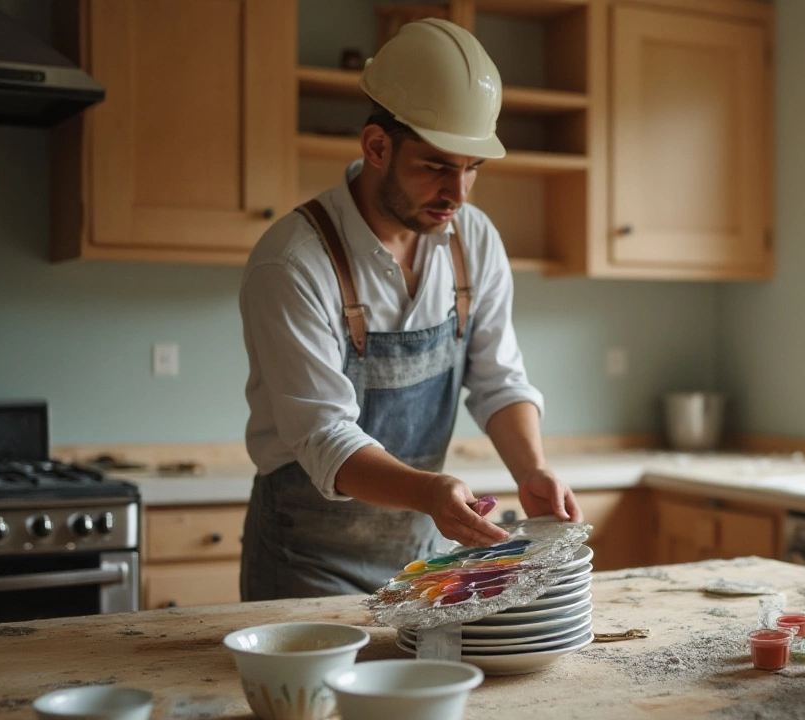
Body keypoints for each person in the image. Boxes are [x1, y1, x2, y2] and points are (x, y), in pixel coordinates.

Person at [238, 18, 583, 601]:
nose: (459, 193)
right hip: (306, 563)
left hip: (421, 559)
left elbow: (499, 381)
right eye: (437, 166)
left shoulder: (472, 240)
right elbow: (325, 437)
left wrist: (532, 470)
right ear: (377, 146)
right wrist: (429, 492)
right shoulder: (293, 262)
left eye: (473, 168)